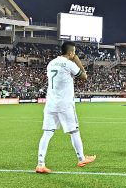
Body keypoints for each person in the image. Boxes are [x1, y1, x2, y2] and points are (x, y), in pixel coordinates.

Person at [35, 41, 95, 173]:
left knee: (47, 133)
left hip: (51, 103)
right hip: (65, 104)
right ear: (71, 52)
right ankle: (81, 158)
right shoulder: (69, 63)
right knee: (74, 131)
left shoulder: (51, 63)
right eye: (74, 52)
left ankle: (40, 163)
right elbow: (84, 76)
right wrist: (77, 60)